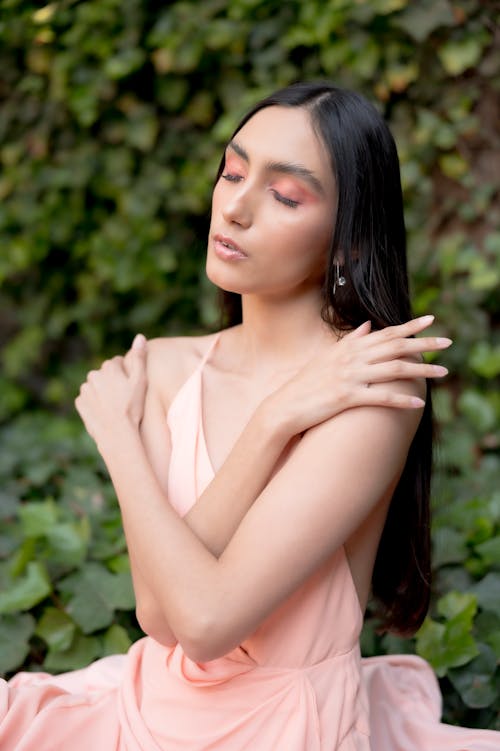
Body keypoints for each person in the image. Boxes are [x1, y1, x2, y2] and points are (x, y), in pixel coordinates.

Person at [0, 82, 498, 751]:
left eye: (284, 195)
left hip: (287, 728)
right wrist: (274, 421)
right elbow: (160, 614)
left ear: (348, 241)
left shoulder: (374, 381)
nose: (233, 206)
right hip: (147, 712)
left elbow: (206, 620)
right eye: (233, 172)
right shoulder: (166, 368)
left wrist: (117, 438)